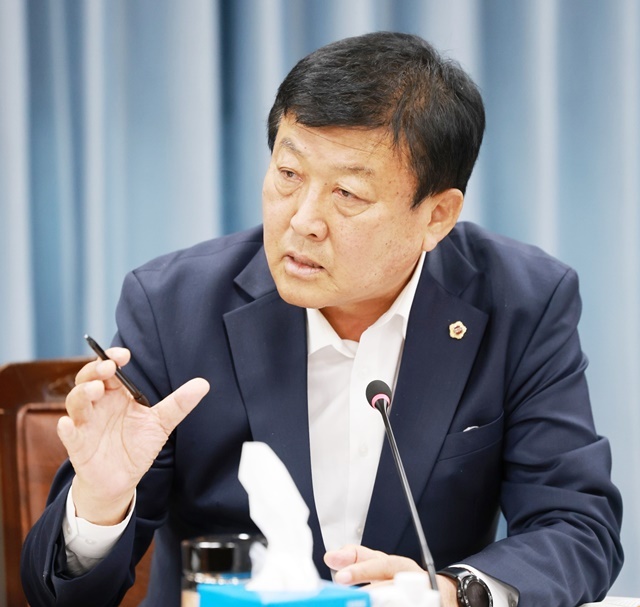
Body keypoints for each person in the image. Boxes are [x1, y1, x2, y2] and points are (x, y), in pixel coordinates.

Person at [21, 32, 622, 607]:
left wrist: (450, 592)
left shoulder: (521, 302)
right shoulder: (174, 307)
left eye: (348, 195)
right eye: (289, 175)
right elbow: (62, 596)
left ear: (437, 216)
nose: (303, 221)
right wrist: (100, 503)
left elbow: (577, 527)